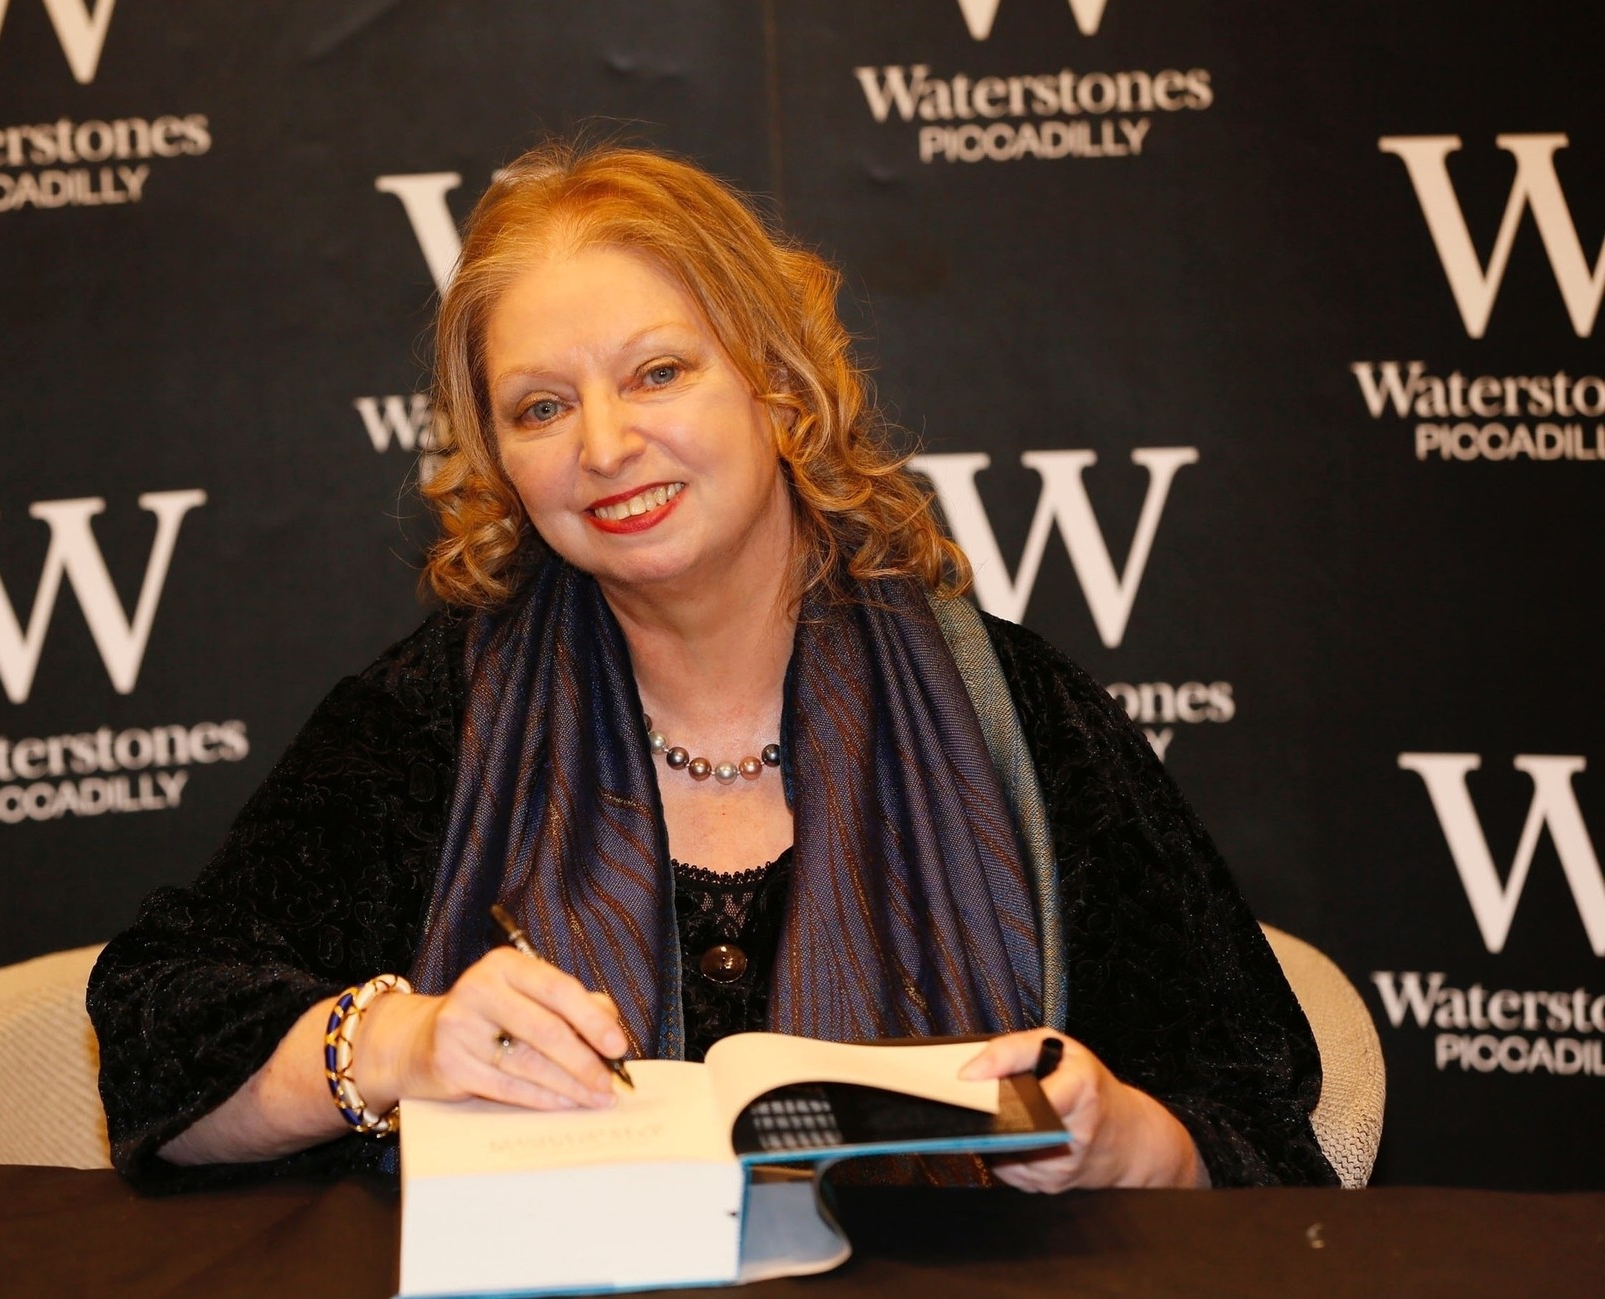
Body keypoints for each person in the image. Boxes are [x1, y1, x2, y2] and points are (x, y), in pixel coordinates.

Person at [88, 141, 1337, 1194]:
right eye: (539, 408)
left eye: (659, 372)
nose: (607, 445)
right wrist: (399, 1045)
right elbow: (158, 1043)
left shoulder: (1014, 715)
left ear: (778, 386)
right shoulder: (432, 716)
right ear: (502, 466)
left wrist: (1126, 1143)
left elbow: (1260, 1124)